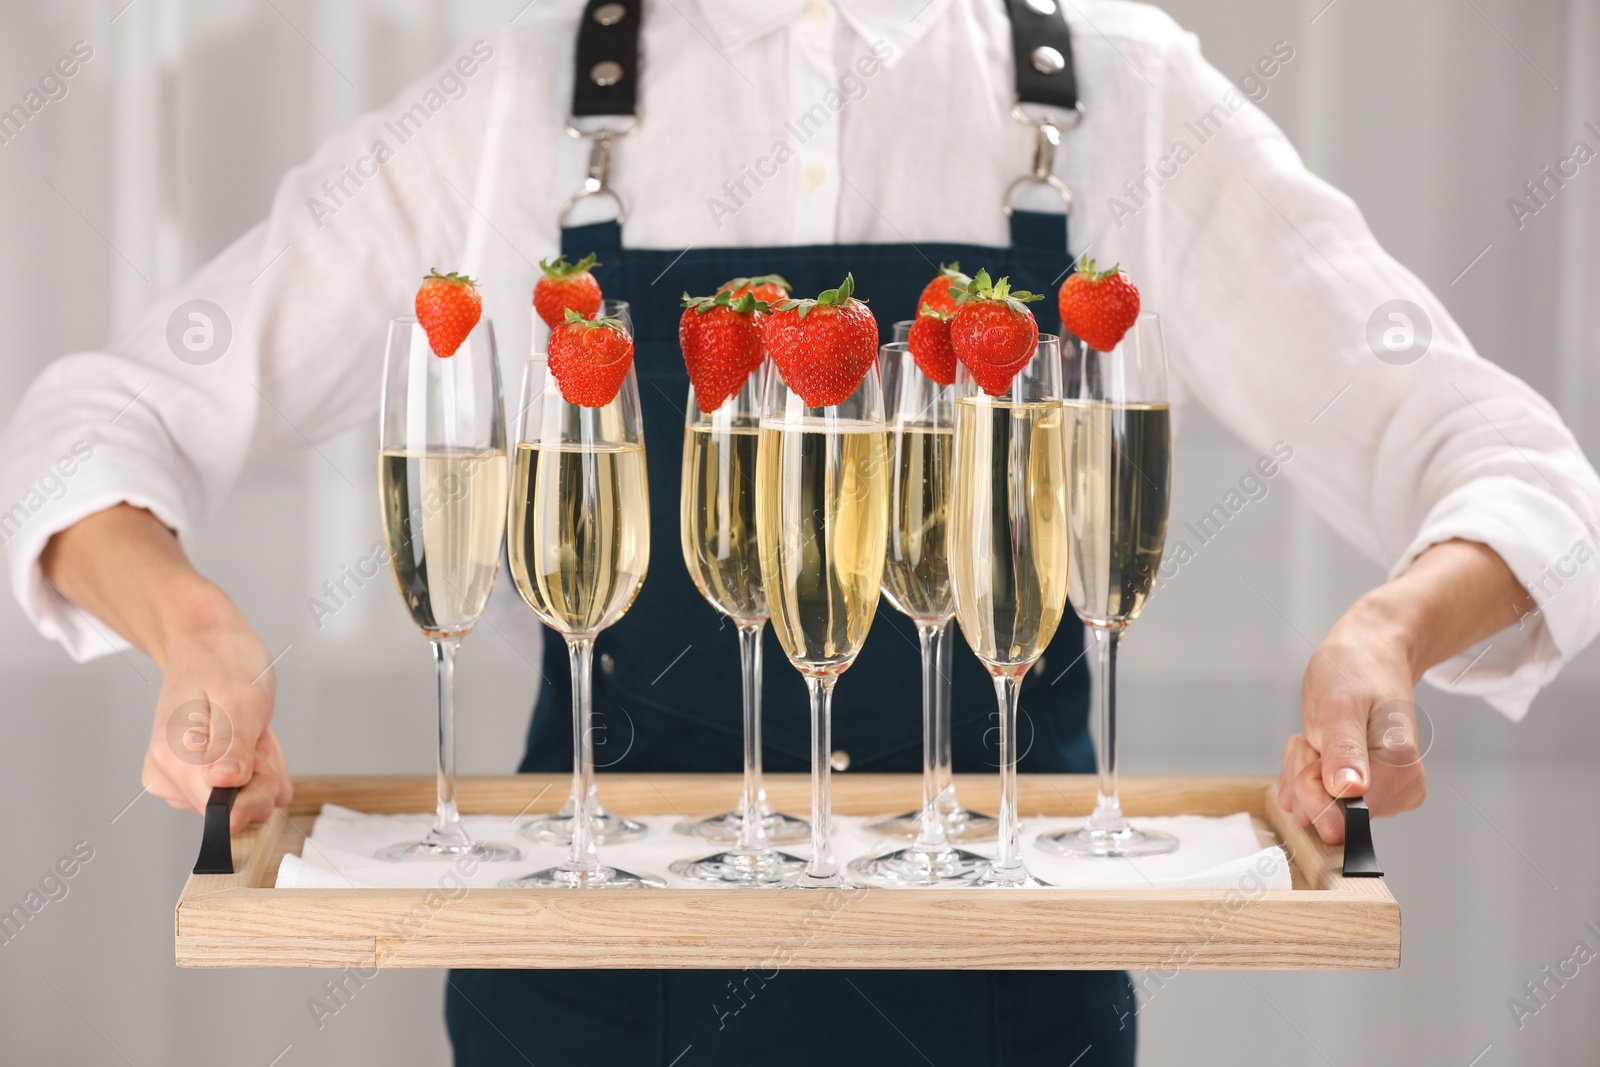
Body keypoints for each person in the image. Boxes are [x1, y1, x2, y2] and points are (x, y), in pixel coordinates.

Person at [3, 1, 1596, 1064]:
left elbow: (1511, 467)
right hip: (588, 1007)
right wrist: (193, 630)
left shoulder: (1117, 91)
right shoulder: (522, 105)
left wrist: (1387, 636)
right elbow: (97, 426)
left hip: (1003, 1013)